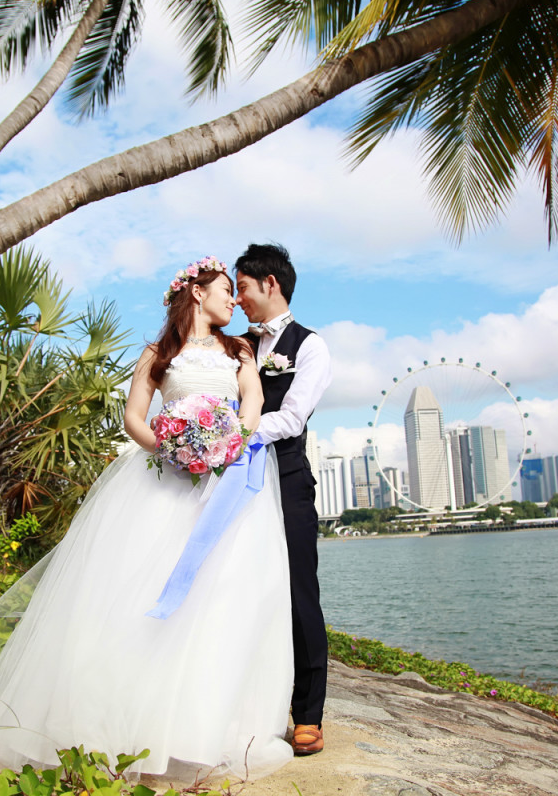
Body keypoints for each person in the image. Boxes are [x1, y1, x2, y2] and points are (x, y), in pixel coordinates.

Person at [0, 257, 294, 782]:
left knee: (224, 597)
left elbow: (252, 399)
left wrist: (232, 440)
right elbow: (133, 418)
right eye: (225, 290)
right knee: (139, 592)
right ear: (196, 293)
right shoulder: (157, 353)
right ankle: (126, 724)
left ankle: (203, 731)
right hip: (164, 482)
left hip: (229, 484)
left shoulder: (239, 349)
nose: (233, 300)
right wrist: (169, 448)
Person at [236, 243, 332, 756]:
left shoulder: (311, 346)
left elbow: (292, 418)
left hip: (286, 476)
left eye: (244, 289)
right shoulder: (236, 346)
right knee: (237, 587)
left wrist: (232, 432)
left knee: (299, 592)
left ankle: (308, 713)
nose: (239, 301)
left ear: (270, 284)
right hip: (233, 479)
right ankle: (248, 703)